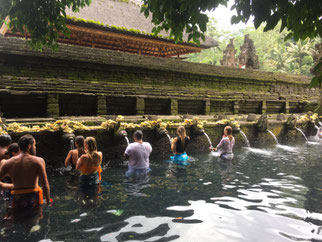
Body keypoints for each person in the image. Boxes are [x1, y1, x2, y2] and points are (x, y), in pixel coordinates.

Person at [0, 134, 51, 208]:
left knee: (18, 218)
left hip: (17, 197)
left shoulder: (9, 162)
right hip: (34, 196)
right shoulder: (38, 161)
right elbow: (45, 184)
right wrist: (48, 200)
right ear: (29, 146)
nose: (35, 148)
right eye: (34, 145)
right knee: (34, 218)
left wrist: (5, 185)